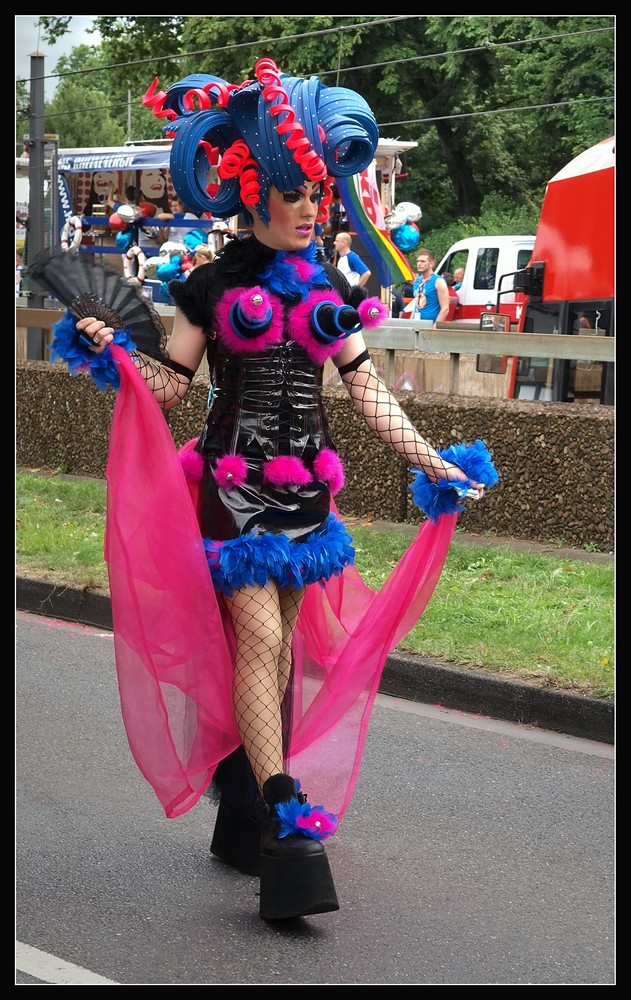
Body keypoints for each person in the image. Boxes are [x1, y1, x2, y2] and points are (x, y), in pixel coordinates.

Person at [41, 57, 493, 923]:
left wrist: (432, 461)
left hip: (306, 500)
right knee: (256, 642)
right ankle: (287, 820)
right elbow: (172, 387)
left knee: (280, 654)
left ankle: (245, 815)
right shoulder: (208, 286)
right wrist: (111, 349)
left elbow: (362, 388)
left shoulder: (327, 286)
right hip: (234, 489)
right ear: (258, 197)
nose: (316, 210)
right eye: (302, 197)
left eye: (323, 198)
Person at [407, 249, 451, 329]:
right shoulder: (417, 281)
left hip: (429, 325)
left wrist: (434, 328)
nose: (419, 264)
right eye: (418, 261)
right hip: (416, 323)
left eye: (423, 261)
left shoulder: (438, 281)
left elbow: (445, 309)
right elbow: (416, 305)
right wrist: (410, 323)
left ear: (431, 264)